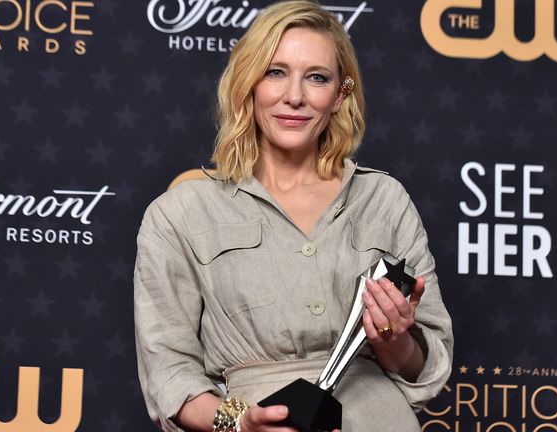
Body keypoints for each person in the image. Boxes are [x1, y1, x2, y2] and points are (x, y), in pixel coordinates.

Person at [133, 1, 453, 431]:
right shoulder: (178, 214)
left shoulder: (384, 199)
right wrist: (240, 423)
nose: (295, 96)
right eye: (275, 72)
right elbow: (169, 373)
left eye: (317, 77)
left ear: (340, 94)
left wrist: (395, 339)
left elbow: (426, 367)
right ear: (249, 83)